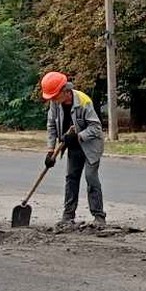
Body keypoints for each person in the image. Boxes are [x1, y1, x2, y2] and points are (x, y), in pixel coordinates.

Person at [41, 71, 106, 228]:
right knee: (71, 177)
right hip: (72, 145)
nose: (52, 100)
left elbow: (96, 128)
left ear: (65, 91)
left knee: (91, 177)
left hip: (91, 145)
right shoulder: (55, 103)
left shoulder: (83, 102)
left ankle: (99, 217)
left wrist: (77, 136)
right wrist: (50, 152)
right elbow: (51, 126)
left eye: (54, 95)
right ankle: (68, 216)